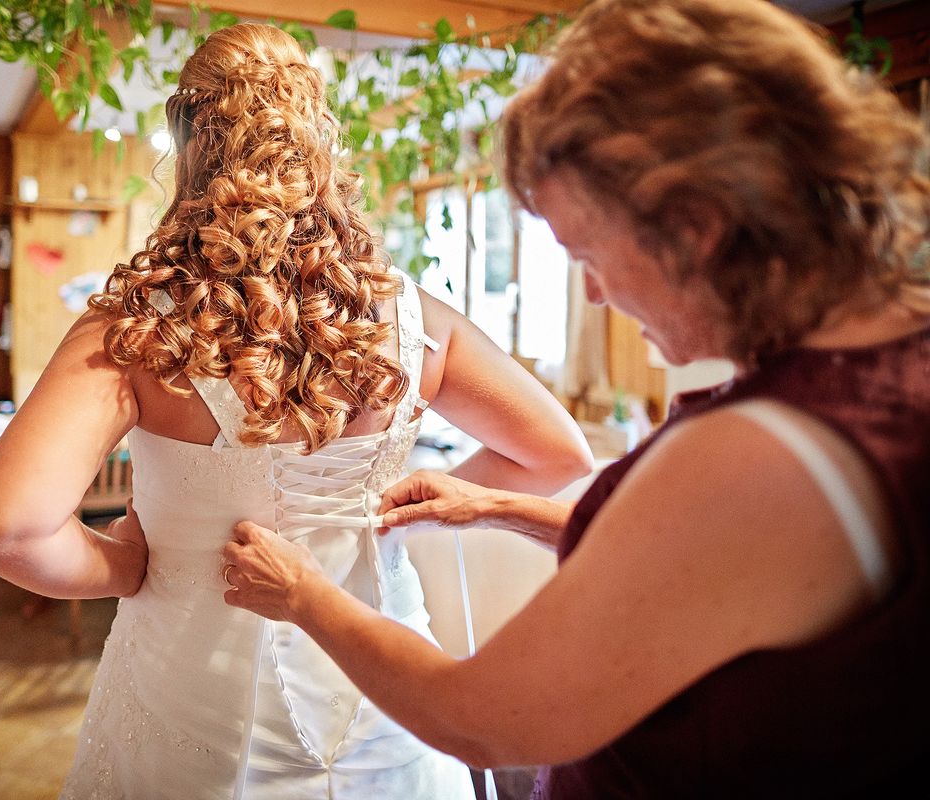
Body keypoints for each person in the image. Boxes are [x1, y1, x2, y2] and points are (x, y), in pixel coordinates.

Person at [220, 1, 930, 797]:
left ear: (695, 227)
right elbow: (707, 567)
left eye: (587, 253)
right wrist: (497, 508)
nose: (592, 293)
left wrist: (305, 596)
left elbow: (481, 722)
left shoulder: (766, 449)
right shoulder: (896, 355)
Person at [0, 22, 592, 800]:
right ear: (317, 140)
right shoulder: (414, 317)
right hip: (386, 698)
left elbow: (4, 530)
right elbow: (557, 455)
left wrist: (125, 565)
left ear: (190, 146)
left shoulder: (139, 329)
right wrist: (400, 514)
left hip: (189, 694)